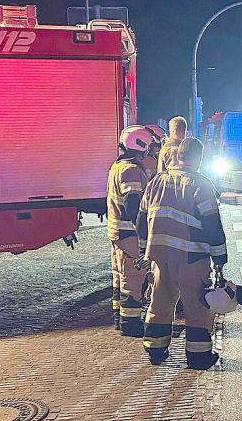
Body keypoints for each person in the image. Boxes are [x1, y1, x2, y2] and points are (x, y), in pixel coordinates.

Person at [136, 137, 228, 370]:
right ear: (198, 157)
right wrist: (219, 258)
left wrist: (145, 248)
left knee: (159, 302)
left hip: (159, 255)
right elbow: (212, 225)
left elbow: (141, 218)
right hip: (191, 256)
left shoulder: (156, 182)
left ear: (178, 155)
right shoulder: (201, 184)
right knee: (196, 306)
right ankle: (198, 357)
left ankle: (155, 350)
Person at [107, 125, 160, 337]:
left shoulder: (117, 166)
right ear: (140, 144)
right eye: (149, 146)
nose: (150, 150)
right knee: (133, 278)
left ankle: (119, 318)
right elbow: (133, 206)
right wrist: (144, 234)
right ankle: (130, 324)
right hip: (129, 234)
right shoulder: (131, 171)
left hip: (117, 234)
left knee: (119, 278)